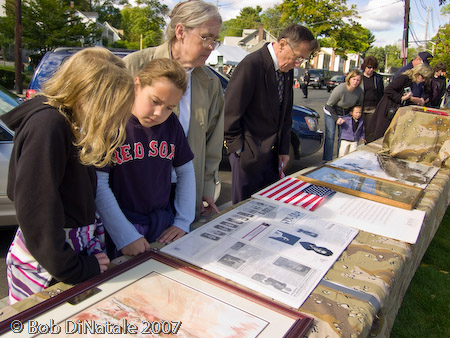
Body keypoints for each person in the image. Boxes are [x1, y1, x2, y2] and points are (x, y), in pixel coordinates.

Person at [1, 47, 135, 304]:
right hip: (49, 267)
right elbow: (36, 213)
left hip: (67, 254)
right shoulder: (48, 125)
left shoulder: (68, 122)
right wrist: (76, 268)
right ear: (90, 97)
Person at [123, 0, 224, 220]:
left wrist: (207, 188)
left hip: (185, 189)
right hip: (134, 192)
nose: (210, 46)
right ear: (180, 31)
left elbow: (213, 142)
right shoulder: (132, 66)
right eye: (206, 37)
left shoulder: (210, 82)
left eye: (214, 40)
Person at [96, 59, 195, 258]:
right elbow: (98, 184)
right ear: (137, 85)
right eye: (155, 101)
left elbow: (185, 170)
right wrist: (125, 235)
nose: (159, 113)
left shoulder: (171, 124)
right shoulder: (112, 122)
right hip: (119, 229)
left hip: (161, 225)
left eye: (169, 107)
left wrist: (183, 221)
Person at [223, 24, 319, 204]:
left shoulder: (287, 70)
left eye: (302, 60)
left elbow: (285, 112)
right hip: (248, 156)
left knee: (268, 207)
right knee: (244, 213)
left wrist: (284, 149)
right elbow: (230, 112)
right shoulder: (252, 64)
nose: (297, 64)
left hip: (273, 157)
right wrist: (238, 150)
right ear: (282, 44)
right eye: (297, 57)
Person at [365, 63, 434, 143]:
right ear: (417, 74)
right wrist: (401, 98)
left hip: (396, 109)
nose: (423, 81)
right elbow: (388, 90)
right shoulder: (404, 78)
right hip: (388, 109)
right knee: (381, 134)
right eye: (423, 78)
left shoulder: (412, 82)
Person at [323, 70, 363, 162]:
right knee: (330, 135)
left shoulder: (359, 91)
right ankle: (327, 160)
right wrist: (336, 118)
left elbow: (358, 105)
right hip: (331, 111)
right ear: (349, 79)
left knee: (342, 136)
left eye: (358, 80)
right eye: (354, 79)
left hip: (345, 113)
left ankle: (339, 158)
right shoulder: (341, 89)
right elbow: (329, 105)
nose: (355, 82)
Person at [359, 56, 384, 141]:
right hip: (360, 107)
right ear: (364, 67)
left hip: (372, 108)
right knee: (358, 130)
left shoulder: (377, 78)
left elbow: (381, 94)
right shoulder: (359, 78)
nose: (371, 70)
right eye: (369, 67)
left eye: (373, 68)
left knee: (370, 131)